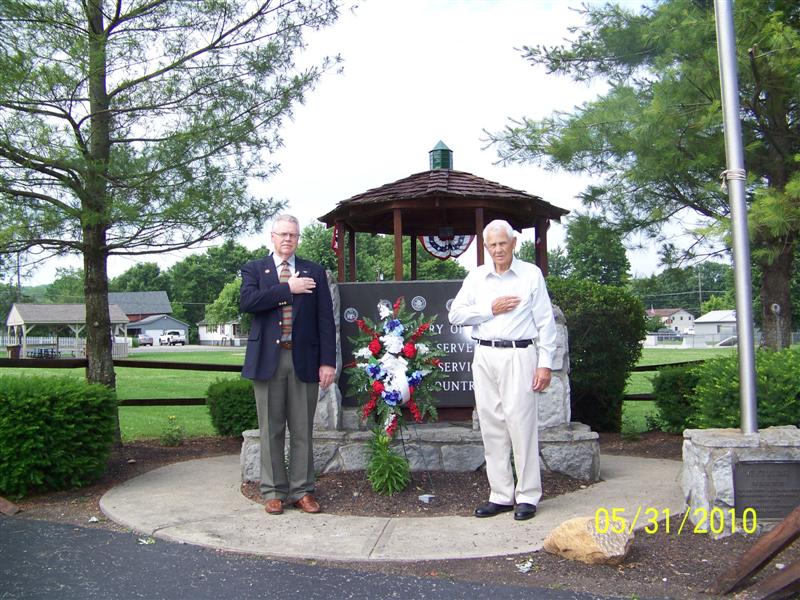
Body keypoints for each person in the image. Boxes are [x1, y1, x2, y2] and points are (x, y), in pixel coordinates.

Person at [448, 219, 557, 521]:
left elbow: (546, 322)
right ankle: (500, 494)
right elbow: (456, 314)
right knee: (492, 426)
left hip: (519, 355)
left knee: (521, 427)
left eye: (502, 243)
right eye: (492, 245)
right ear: (486, 247)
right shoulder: (477, 277)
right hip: (484, 354)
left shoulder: (530, 275)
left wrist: (545, 364)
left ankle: (527, 496)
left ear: (513, 244)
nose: (498, 249)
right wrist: (489, 310)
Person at [240, 214, 336, 515]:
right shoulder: (255, 269)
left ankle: (302, 491)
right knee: (271, 430)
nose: (288, 240)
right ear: (272, 236)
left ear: (298, 238)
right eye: (282, 234)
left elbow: (325, 321)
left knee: (302, 429)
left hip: (304, 359)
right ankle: (273, 492)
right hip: (268, 360)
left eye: (293, 235)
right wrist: (288, 289)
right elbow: (248, 303)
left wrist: (327, 362)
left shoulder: (315, 272)